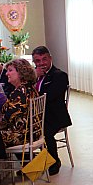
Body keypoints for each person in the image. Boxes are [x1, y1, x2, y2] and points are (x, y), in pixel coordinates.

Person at [32, 46, 72, 175]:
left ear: (50, 59)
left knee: (44, 131)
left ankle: (54, 161)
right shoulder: (34, 75)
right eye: (38, 61)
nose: (41, 63)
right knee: (21, 130)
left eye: (44, 59)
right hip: (37, 115)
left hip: (54, 115)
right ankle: (31, 164)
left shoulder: (59, 76)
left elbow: (49, 96)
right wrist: (34, 78)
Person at [0, 58, 39, 148]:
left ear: (21, 72)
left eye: (10, 70)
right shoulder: (30, 88)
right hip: (34, 132)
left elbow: (7, 118)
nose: (6, 74)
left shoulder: (20, 92)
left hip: (23, 136)